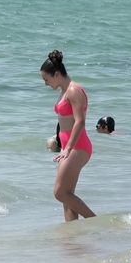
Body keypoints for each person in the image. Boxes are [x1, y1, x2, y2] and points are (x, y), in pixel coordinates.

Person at [40, 50, 95, 221]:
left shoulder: (74, 91)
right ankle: (73, 237)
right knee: (67, 197)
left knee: (60, 193)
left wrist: (68, 147)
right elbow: (65, 122)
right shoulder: (64, 91)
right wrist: (60, 143)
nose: (45, 83)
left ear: (56, 74)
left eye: (46, 79)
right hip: (67, 147)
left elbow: (80, 122)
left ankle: (94, 221)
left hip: (78, 146)